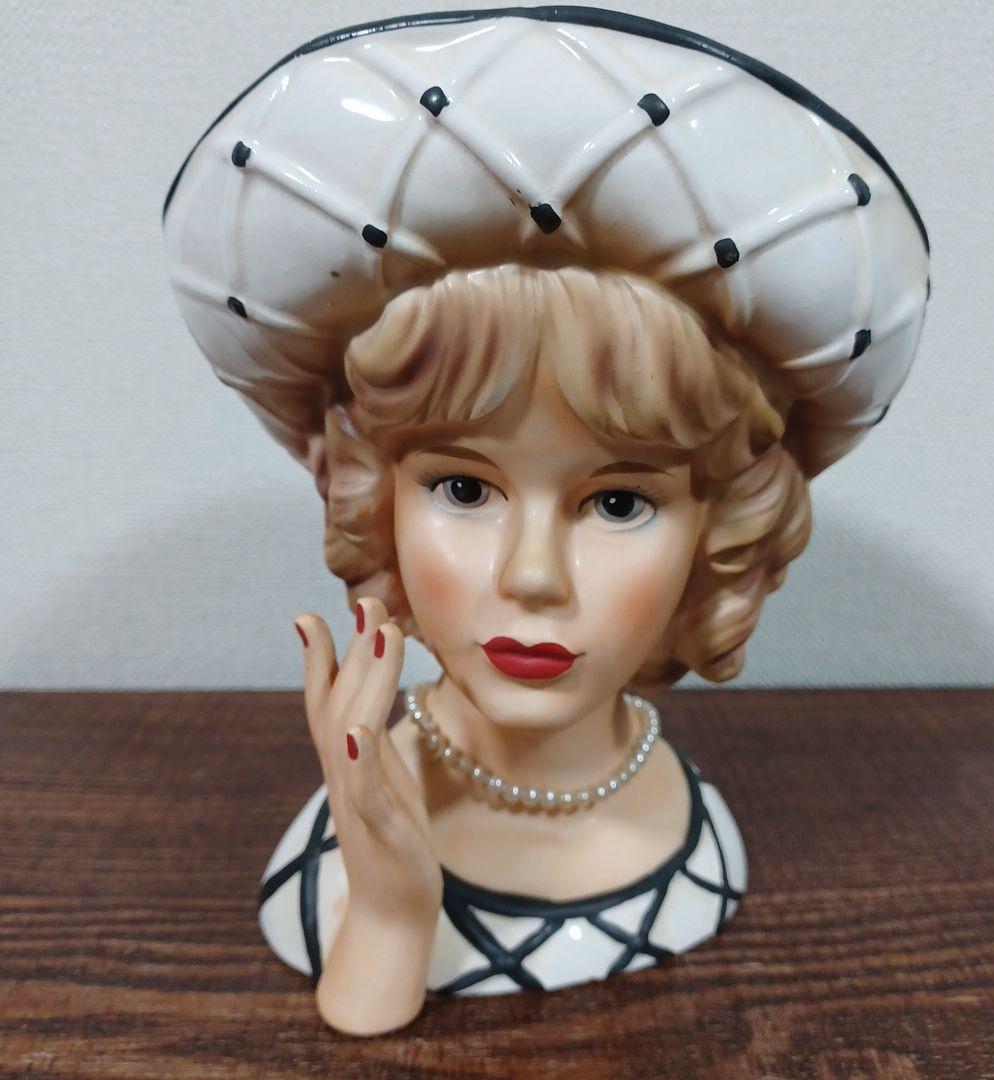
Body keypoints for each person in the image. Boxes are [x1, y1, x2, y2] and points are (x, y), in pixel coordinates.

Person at [162, 9, 929, 1036]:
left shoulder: (699, 829)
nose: (531, 576)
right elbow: (360, 1016)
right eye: (463, 490)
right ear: (375, 500)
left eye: (618, 502)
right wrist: (389, 910)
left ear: (718, 530)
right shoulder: (354, 835)